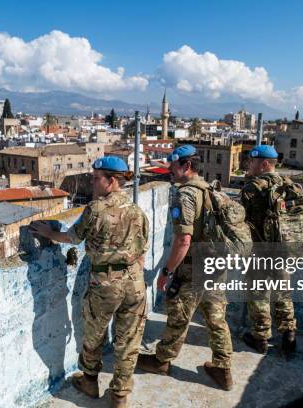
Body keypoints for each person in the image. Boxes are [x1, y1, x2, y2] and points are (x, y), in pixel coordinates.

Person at [31, 156, 149, 408]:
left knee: (94, 334)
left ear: (112, 181)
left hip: (106, 283)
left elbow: (73, 238)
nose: (92, 183)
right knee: (129, 340)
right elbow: (142, 250)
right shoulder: (137, 211)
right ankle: (119, 396)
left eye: (96, 179)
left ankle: (90, 382)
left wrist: (48, 233)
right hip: (135, 282)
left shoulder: (96, 209)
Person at [136, 145, 234, 391]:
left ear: (186, 166)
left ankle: (162, 360)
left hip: (194, 267)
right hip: (215, 264)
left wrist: (167, 271)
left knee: (179, 314)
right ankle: (223, 369)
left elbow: (183, 240)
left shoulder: (185, 194)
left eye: (173, 165)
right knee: (216, 317)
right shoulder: (211, 189)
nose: (169, 169)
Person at [239, 145, 297, 354]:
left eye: (252, 161)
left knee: (259, 294)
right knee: (283, 293)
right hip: (284, 249)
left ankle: (260, 338)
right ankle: (289, 337)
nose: (248, 165)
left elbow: (241, 220)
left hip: (260, 252)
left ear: (264, 164)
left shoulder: (252, 188)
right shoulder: (290, 185)